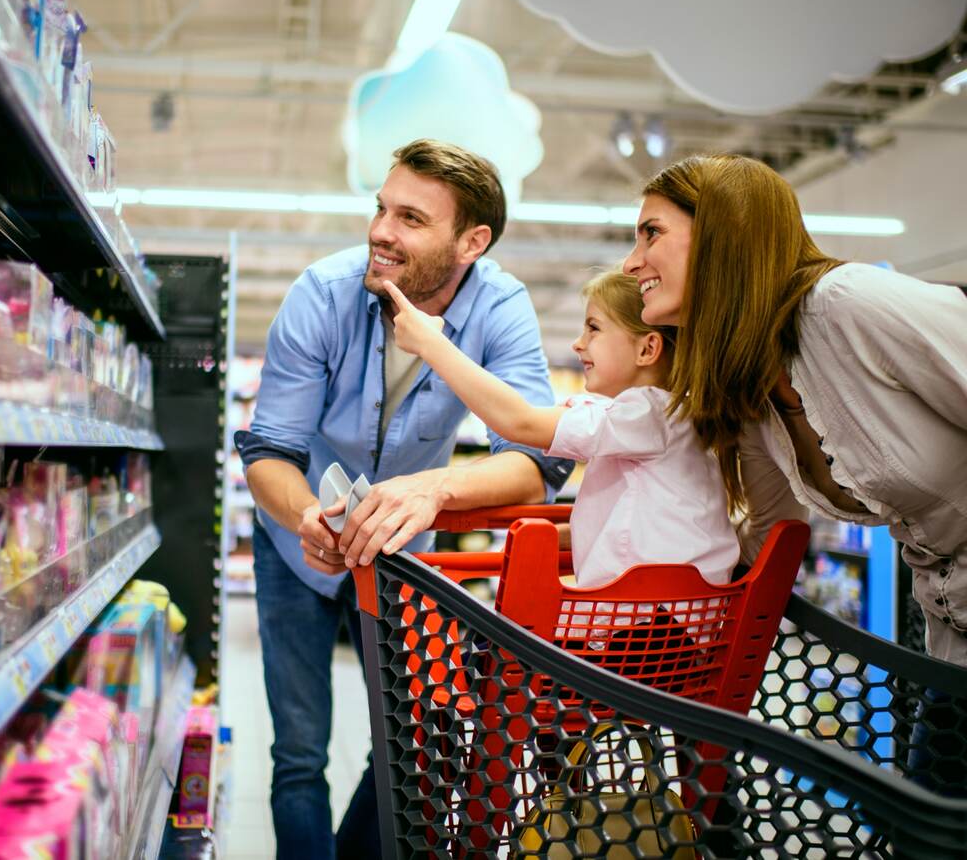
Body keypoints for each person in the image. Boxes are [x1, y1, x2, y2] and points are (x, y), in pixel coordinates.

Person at [234, 138, 572, 859]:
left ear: (471, 242)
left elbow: (538, 463)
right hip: (294, 545)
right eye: (381, 208)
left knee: (407, 747)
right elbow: (270, 450)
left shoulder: (499, 310)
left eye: (411, 218)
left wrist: (435, 486)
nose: (382, 231)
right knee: (299, 752)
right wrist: (301, 515)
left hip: (400, 555)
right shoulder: (322, 295)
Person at [620, 153, 967, 667]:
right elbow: (766, 535)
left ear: (725, 234)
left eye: (652, 233)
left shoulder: (847, 303)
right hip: (949, 638)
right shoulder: (753, 389)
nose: (631, 262)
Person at [384, 268, 739, 590]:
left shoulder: (649, 412)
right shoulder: (663, 418)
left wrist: (431, 346)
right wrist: (556, 537)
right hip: (670, 618)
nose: (577, 343)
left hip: (650, 625)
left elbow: (519, 422)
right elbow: (633, 524)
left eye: (594, 328)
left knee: (502, 648)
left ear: (648, 348)